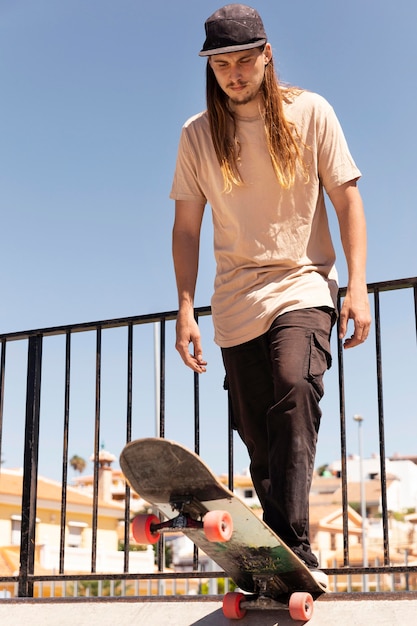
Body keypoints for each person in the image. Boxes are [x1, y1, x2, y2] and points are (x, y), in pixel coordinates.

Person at [170, 3, 371, 577]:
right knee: (258, 432)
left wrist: (356, 286)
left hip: (303, 284)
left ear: (266, 57)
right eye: (221, 63)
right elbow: (187, 228)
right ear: (210, 67)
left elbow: (347, 199)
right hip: (235, 301)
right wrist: (185, 308)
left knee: (294, 388)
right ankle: (279, 555)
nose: (233, 73)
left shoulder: (310, 112)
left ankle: (292, 544)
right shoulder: (198, 135)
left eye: (243, 61)